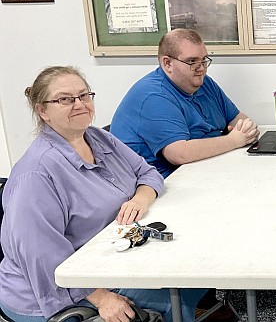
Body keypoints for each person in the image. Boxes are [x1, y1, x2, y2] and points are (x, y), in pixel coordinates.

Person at [0, 66, 206, 322]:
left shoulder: (98, 138)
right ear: (43, 111)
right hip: (55, 292)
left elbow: (148, 173)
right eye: (65, 99)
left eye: (84, 96)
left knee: (196, 269)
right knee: (171, 295)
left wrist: (141, 198)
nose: (79, 104)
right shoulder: (36, 175)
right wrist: (101, 297)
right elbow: (43, 259)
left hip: (108, 260)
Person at [111, 29, 259, 178]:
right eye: (192, 62)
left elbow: (238, 119)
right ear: (167, 63)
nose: (201, 68)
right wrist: (233, 140)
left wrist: (246, 130)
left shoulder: (203, 83)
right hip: (162, 182)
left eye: (203, 60)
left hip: (204, 168)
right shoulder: (153, 96)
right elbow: (179, 154)